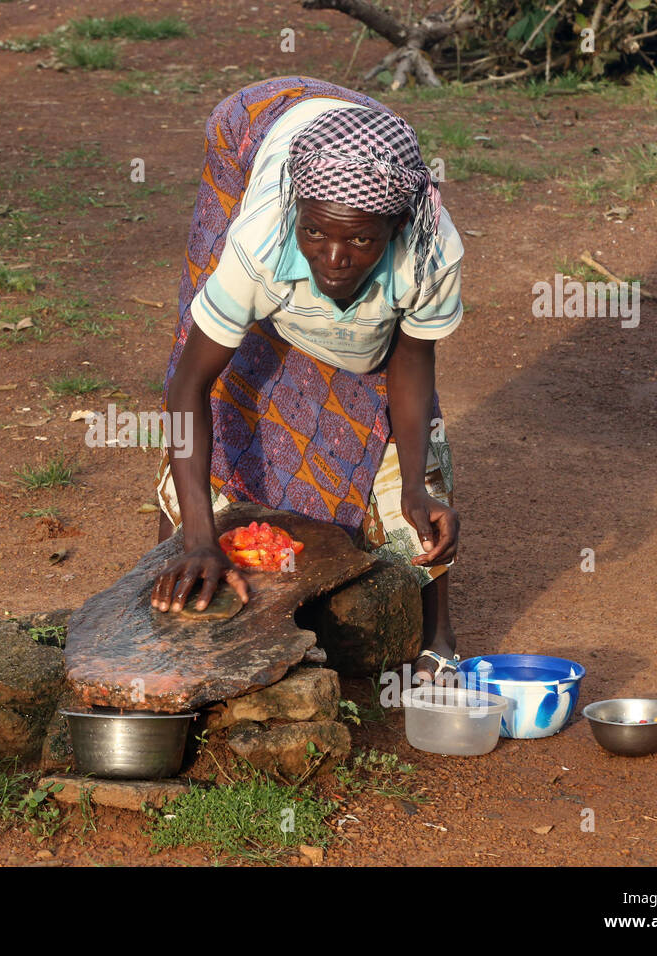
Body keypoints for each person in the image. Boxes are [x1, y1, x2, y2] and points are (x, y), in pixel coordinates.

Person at [148, 75, 463, 685]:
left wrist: (417, 490)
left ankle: (438, 634)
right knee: (233, 377)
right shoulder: (257, 244)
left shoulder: (430, 254)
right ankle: (179, 568)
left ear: (395, 229)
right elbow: (189, 386)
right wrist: (197, 536)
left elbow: (411, 360)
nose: (334, 257)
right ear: (297, 211)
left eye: (361, 240)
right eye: (315, 232)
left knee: (413, 451)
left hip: (367, 143)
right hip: (259, 129)